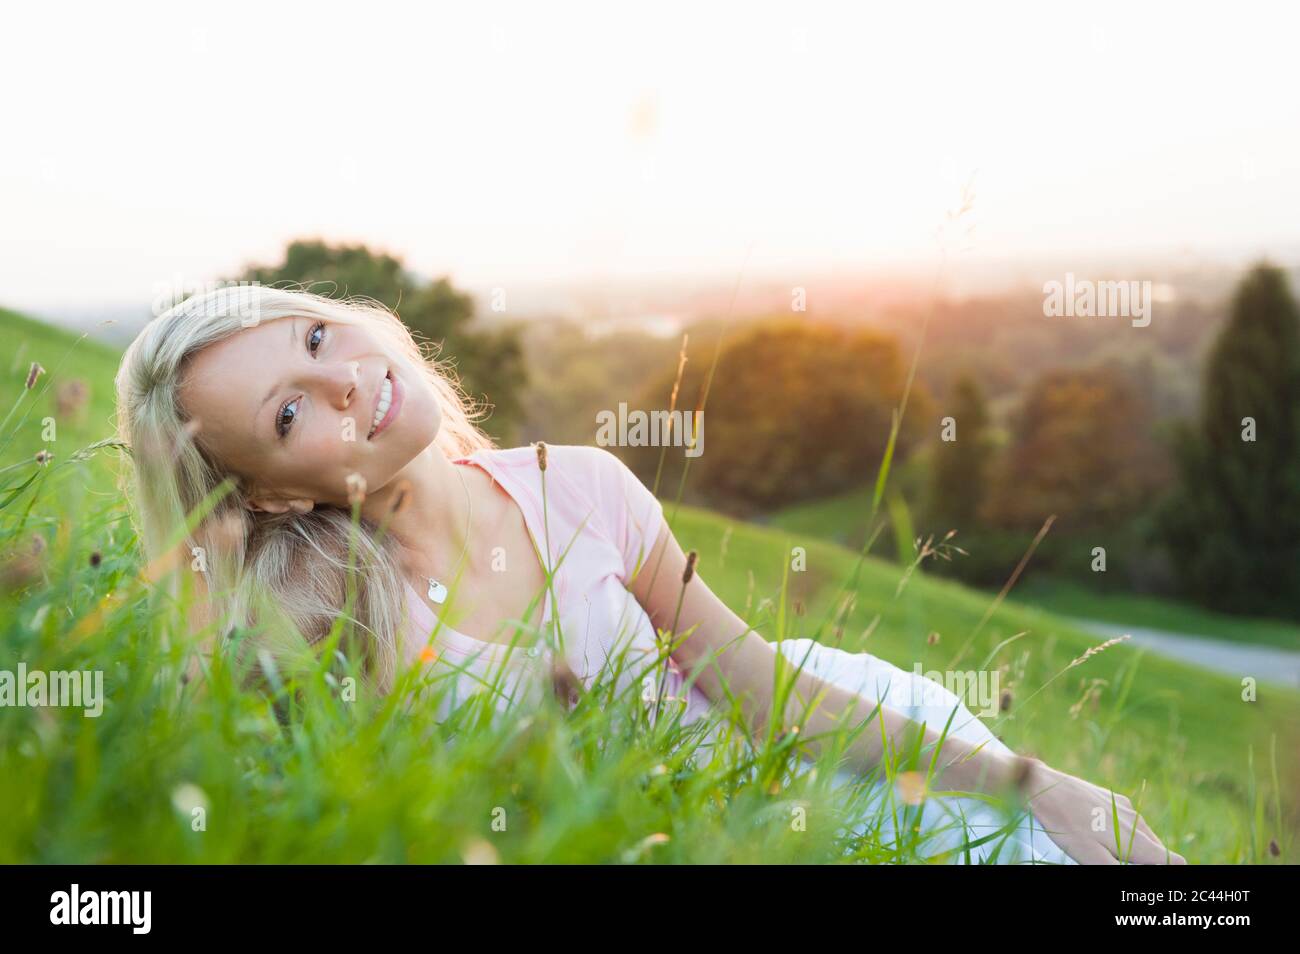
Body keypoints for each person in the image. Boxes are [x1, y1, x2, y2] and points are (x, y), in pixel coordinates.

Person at [115, 286, 1185, 865]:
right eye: (290, 412)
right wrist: (213, 585)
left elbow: (770, 698)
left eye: (316, 336)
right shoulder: (321, 618)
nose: (345, 381)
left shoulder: (577, 486)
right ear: (270, 496)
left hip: (823, 769)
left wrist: (1043, 780)